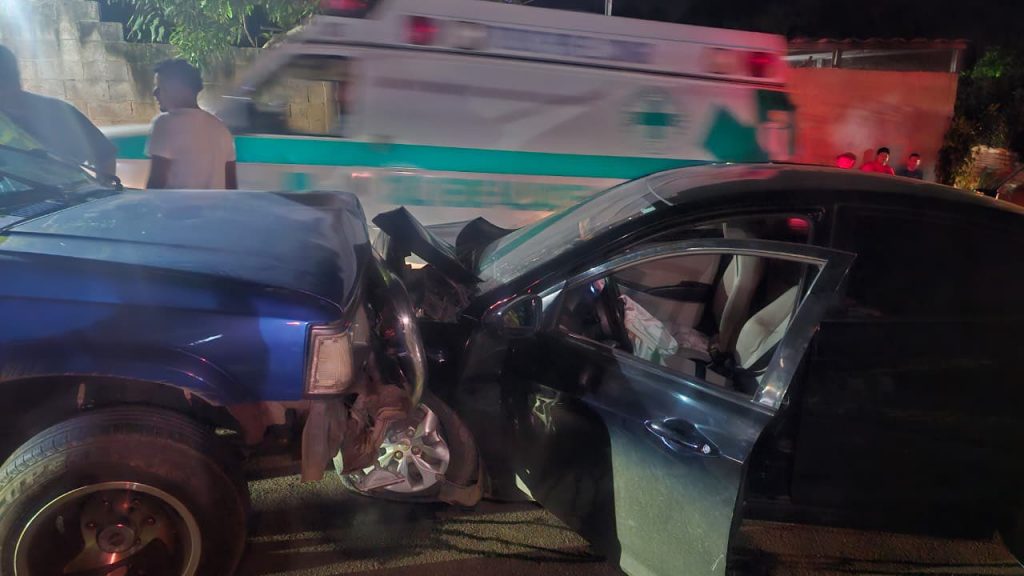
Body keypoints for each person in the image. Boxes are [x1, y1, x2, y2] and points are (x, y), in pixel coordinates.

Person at [0, 44, 116, 176]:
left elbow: (104, 155)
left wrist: (103, 185)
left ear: (14, 79)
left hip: (64, 187)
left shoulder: (59, 114)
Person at [146, 59, 237, 189]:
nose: (155, 93)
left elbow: (156, 185)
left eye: (161, 87)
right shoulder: (221, 128)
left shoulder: (164, 124)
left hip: (177, 204)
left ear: (179, 89)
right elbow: (232, 189)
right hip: (216, 203)